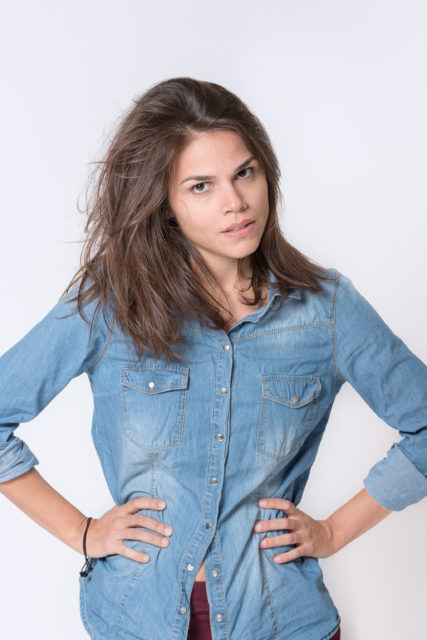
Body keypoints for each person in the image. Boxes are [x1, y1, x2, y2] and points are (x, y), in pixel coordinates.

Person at [0, 76, 426, 640]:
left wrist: (333, 532)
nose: (235, 202)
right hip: (138, 620)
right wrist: (82, 532)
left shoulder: (327, 310)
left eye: (244, 173)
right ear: (164, 204)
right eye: (201, 186)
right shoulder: (110, 305)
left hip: (280, 622)